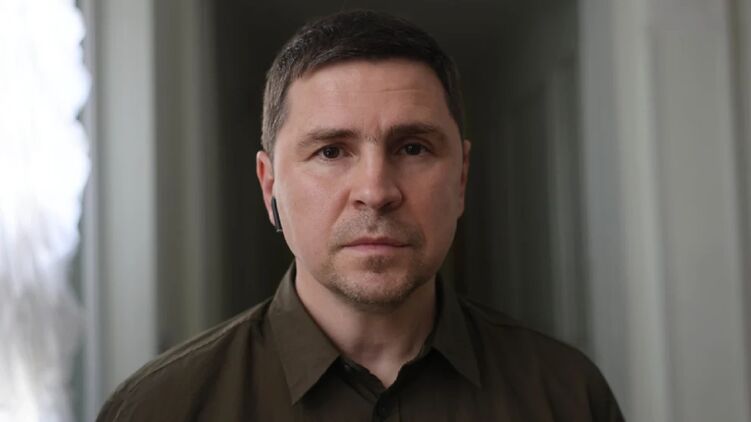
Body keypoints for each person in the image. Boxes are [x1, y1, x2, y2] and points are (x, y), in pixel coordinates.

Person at [97, 10, 624, 421]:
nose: (376, 191)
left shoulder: (569, 397)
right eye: (331, 151)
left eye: (413, 148)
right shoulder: (158, 409)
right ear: (269, 186)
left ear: (461, 179)